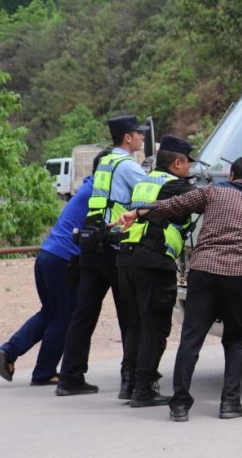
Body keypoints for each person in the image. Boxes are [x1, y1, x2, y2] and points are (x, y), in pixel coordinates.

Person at [115, 156, 242, 422]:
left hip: (203, 273)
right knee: (236, 340)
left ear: (231, 176)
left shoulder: (212, 191)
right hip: (238, 277)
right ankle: (230, 403)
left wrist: (137, 213)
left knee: (191, 338)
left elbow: (172, 205)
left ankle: (179, 405)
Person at [0, 149, 111, 386]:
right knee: (64, 316)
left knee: (50, 312)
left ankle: (9, 351)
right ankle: (44, 372)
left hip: (48, 256)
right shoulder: (97, 194)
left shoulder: (88, 187)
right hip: (62, 260)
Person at [56, 115, 148, 398]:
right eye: (139, 134)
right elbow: (152, 193)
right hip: (114, 246)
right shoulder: (127, 165)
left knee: (84, 314)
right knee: (130, 316)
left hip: (91, 243)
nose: (142, 138)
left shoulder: (105, 162)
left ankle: (69, 377)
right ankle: (130, 382)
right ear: (127, 138)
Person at [117, 135, 198, 408]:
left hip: (126, 259)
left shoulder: (145, 181)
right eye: (188, 163)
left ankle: (129, 384)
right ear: (177, 163)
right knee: (155, 326)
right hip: (153, 261)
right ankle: (144, 389)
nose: (190, 169)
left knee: (136, 324)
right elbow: (208, 198)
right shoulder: (177, 186)